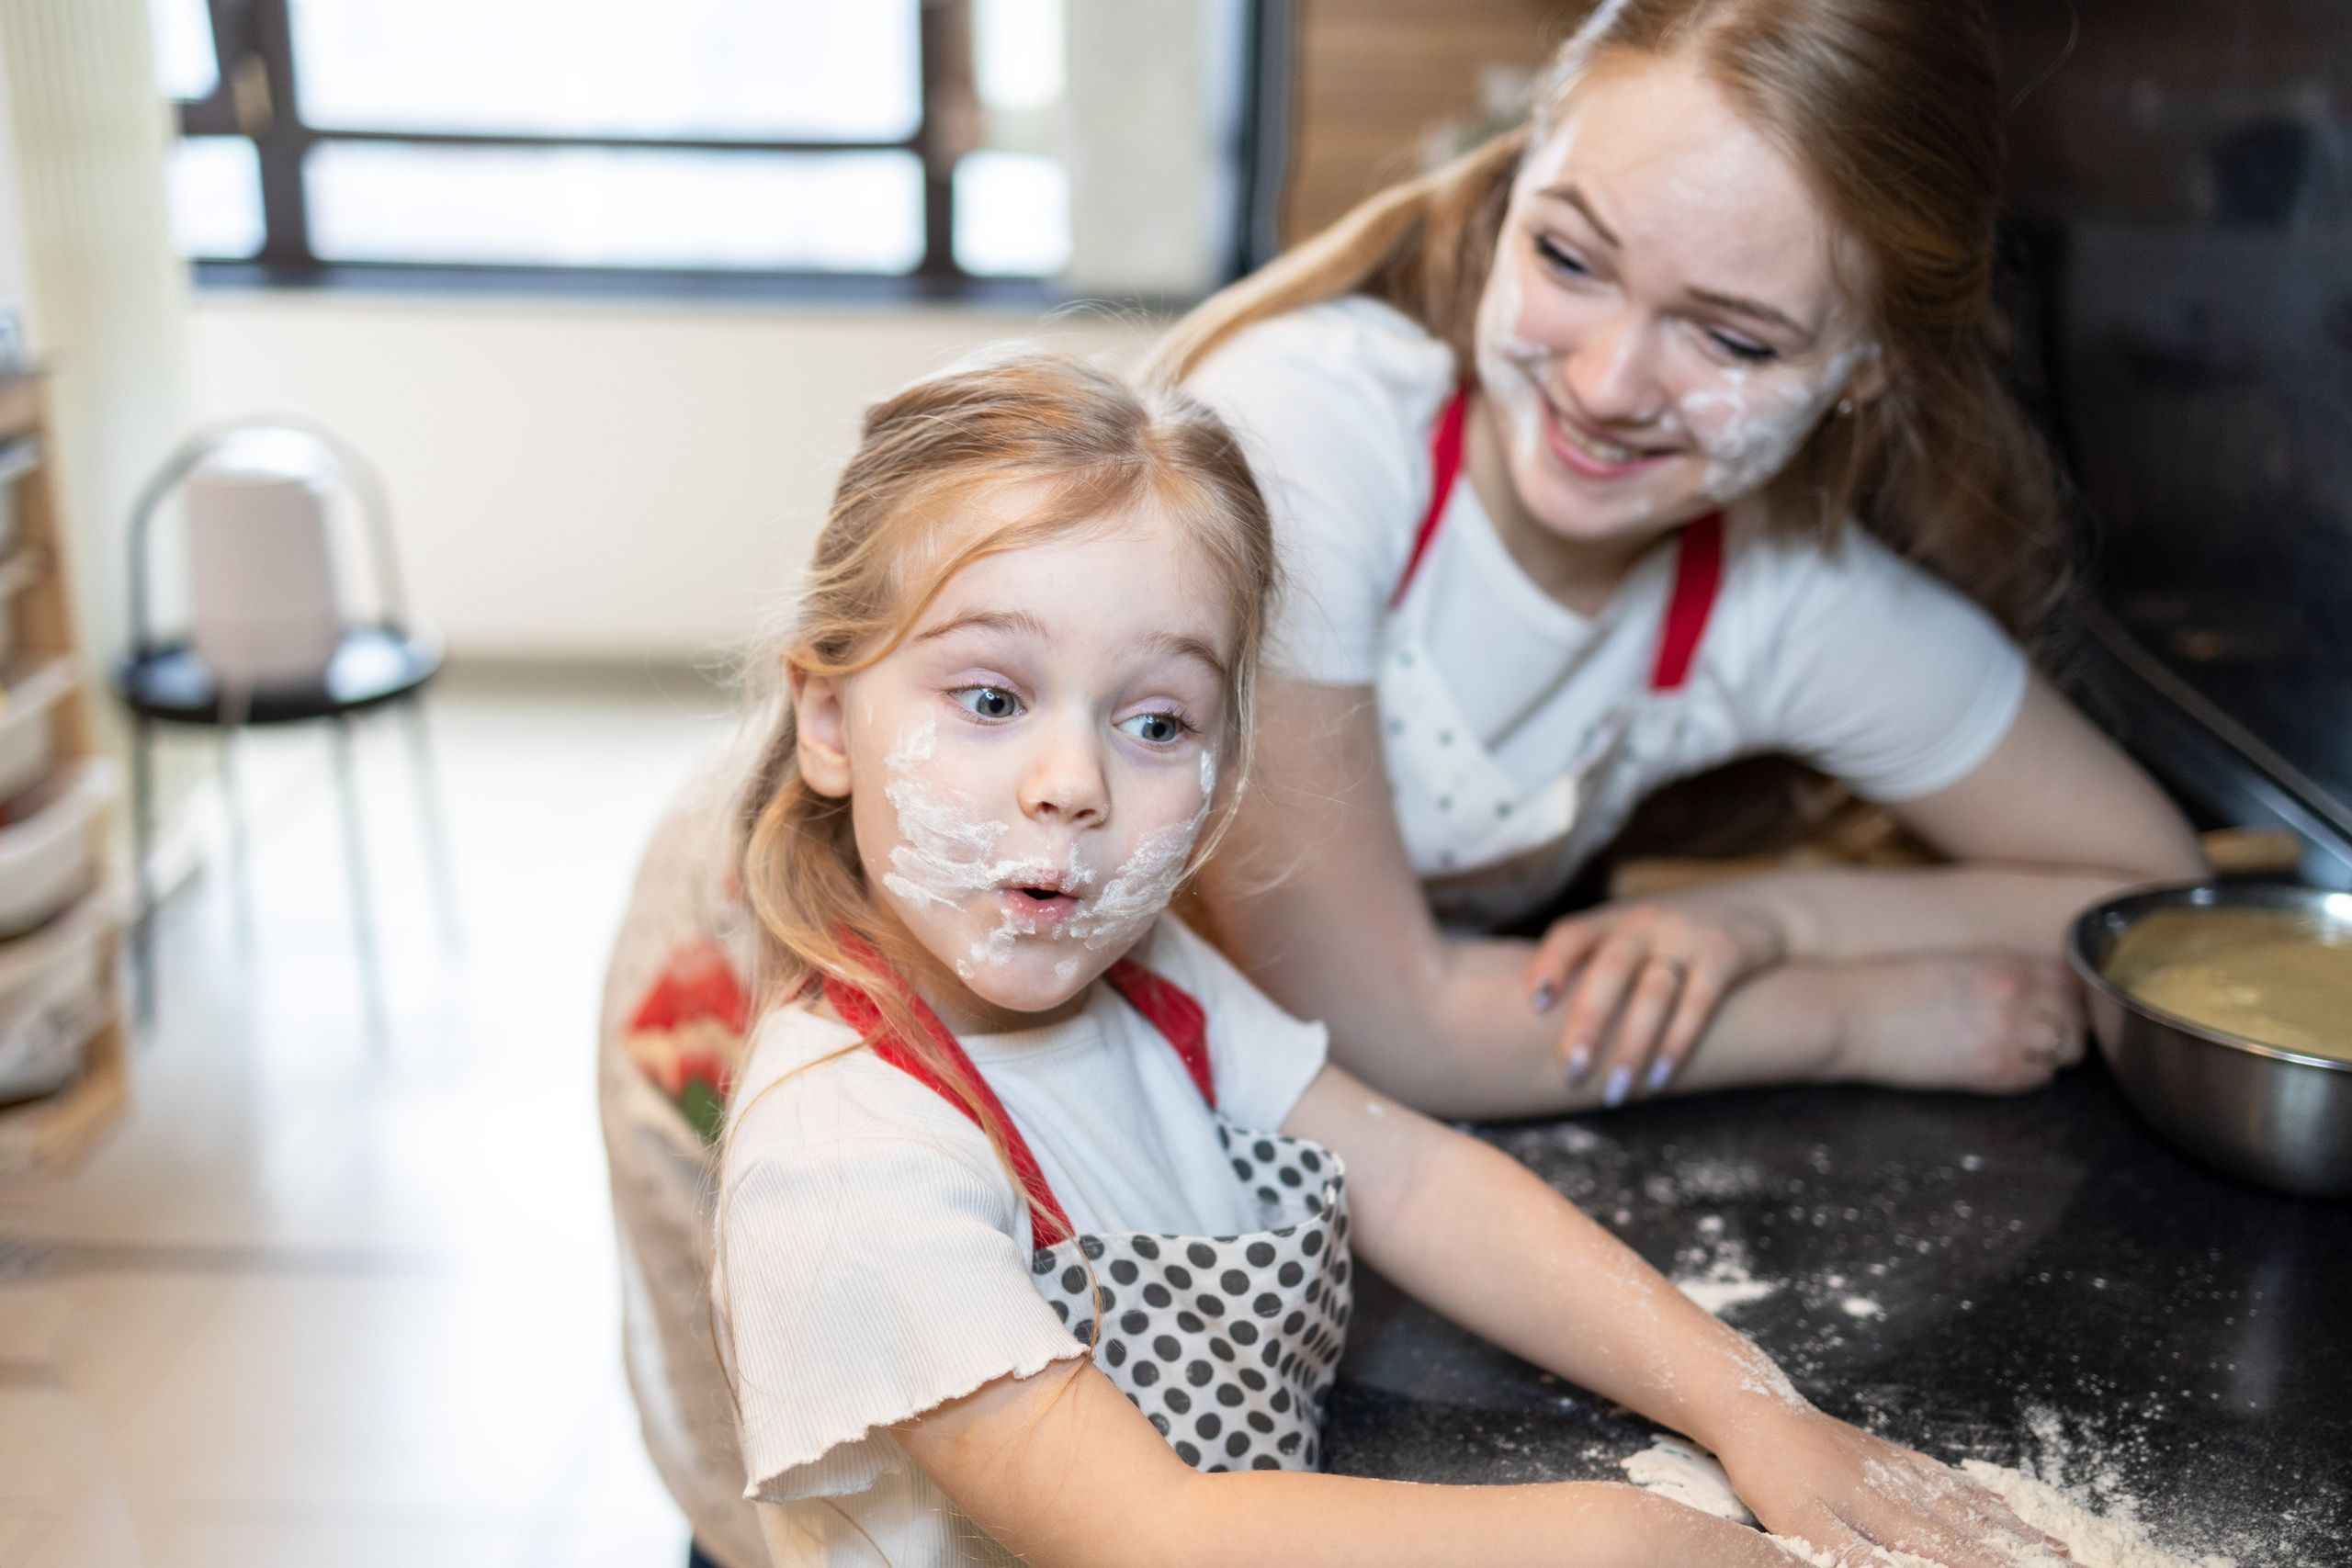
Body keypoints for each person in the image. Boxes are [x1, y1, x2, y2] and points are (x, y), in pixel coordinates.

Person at [709, 346, 2066, 1567]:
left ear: (1228, 767)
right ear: (829, 714)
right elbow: (1156, 1532)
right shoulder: (848, 1158)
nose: (1073, 781)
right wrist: (1630, 1536)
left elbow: (1413, 1173)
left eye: (1158, 722)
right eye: (993, 696)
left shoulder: (1151, 976)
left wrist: (1747, 1405)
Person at [1152, 0, 2209, 1122]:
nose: (1607, 389)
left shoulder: (1785, 600)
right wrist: (1837, 1016)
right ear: (1514, 185)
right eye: (1568, 257)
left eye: (1732, 338)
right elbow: (1379, 1028)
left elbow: (2152, 902)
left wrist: (1764, 924)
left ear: (1867, 365)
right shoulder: (1297, 447)